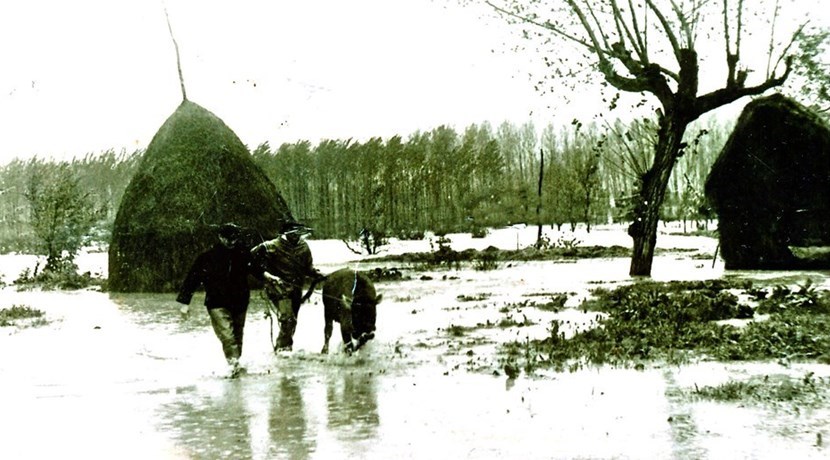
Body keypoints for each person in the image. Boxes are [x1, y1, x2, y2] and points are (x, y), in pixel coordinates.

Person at [176, 223, 262, 378]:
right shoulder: (207, 257)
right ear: (220, 237)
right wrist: (185, 303)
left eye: (234, 238)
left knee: (237, 335)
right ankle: (233, 364)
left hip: (240, 301)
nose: (231, 242)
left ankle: (235, 366)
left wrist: (271, 278)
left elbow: (257, 270)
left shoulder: (243, 253)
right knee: (227, 336)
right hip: (217, 303)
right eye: (228, 239)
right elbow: (192, 279)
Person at [251, 220, 320, 352]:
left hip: (296, 290)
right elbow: (251, 259)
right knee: (288, 320)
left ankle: (285, 348)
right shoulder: (270, 246)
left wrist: (317, 274)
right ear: (285, 233)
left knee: (292, 321)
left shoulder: (304, 247)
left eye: (299, 233)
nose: (297, 236)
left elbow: (308, 268)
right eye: (294, 233)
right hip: (278, 289)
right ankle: (282, 349)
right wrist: (267, 276)